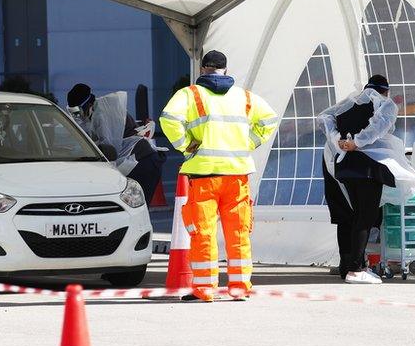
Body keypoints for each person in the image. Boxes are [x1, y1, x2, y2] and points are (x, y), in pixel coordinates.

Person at [160, 50, 278, 302]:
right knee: (238, 233)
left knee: (203, 233)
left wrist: (185, 144)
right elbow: (269, 119)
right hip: (237, 175)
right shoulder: (244, 97)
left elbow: (168, 118)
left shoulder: (189, 94)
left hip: (204, 175)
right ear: (226, 69)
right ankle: (239, 288)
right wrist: (249, 143)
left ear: (203, 69)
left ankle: (204, 289)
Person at [317, 75, 396, 284]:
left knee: (349, 216)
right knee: (366, 216)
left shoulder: (348, 105)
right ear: (385, 91)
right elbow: (379, 126)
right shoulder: (385, 104)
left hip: (343, 166)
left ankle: (348, 265)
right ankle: (356, 268)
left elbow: (324, 117)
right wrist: (357, 142)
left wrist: (338, 140)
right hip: (368, 167)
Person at [66, 83, 165, 202]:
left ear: (88, 105)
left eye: (78, 112)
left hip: (142, 162)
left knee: (137, 207)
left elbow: (109, 149)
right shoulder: (94, 113)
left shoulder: (104, 114)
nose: (78, 117)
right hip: (133, 162)